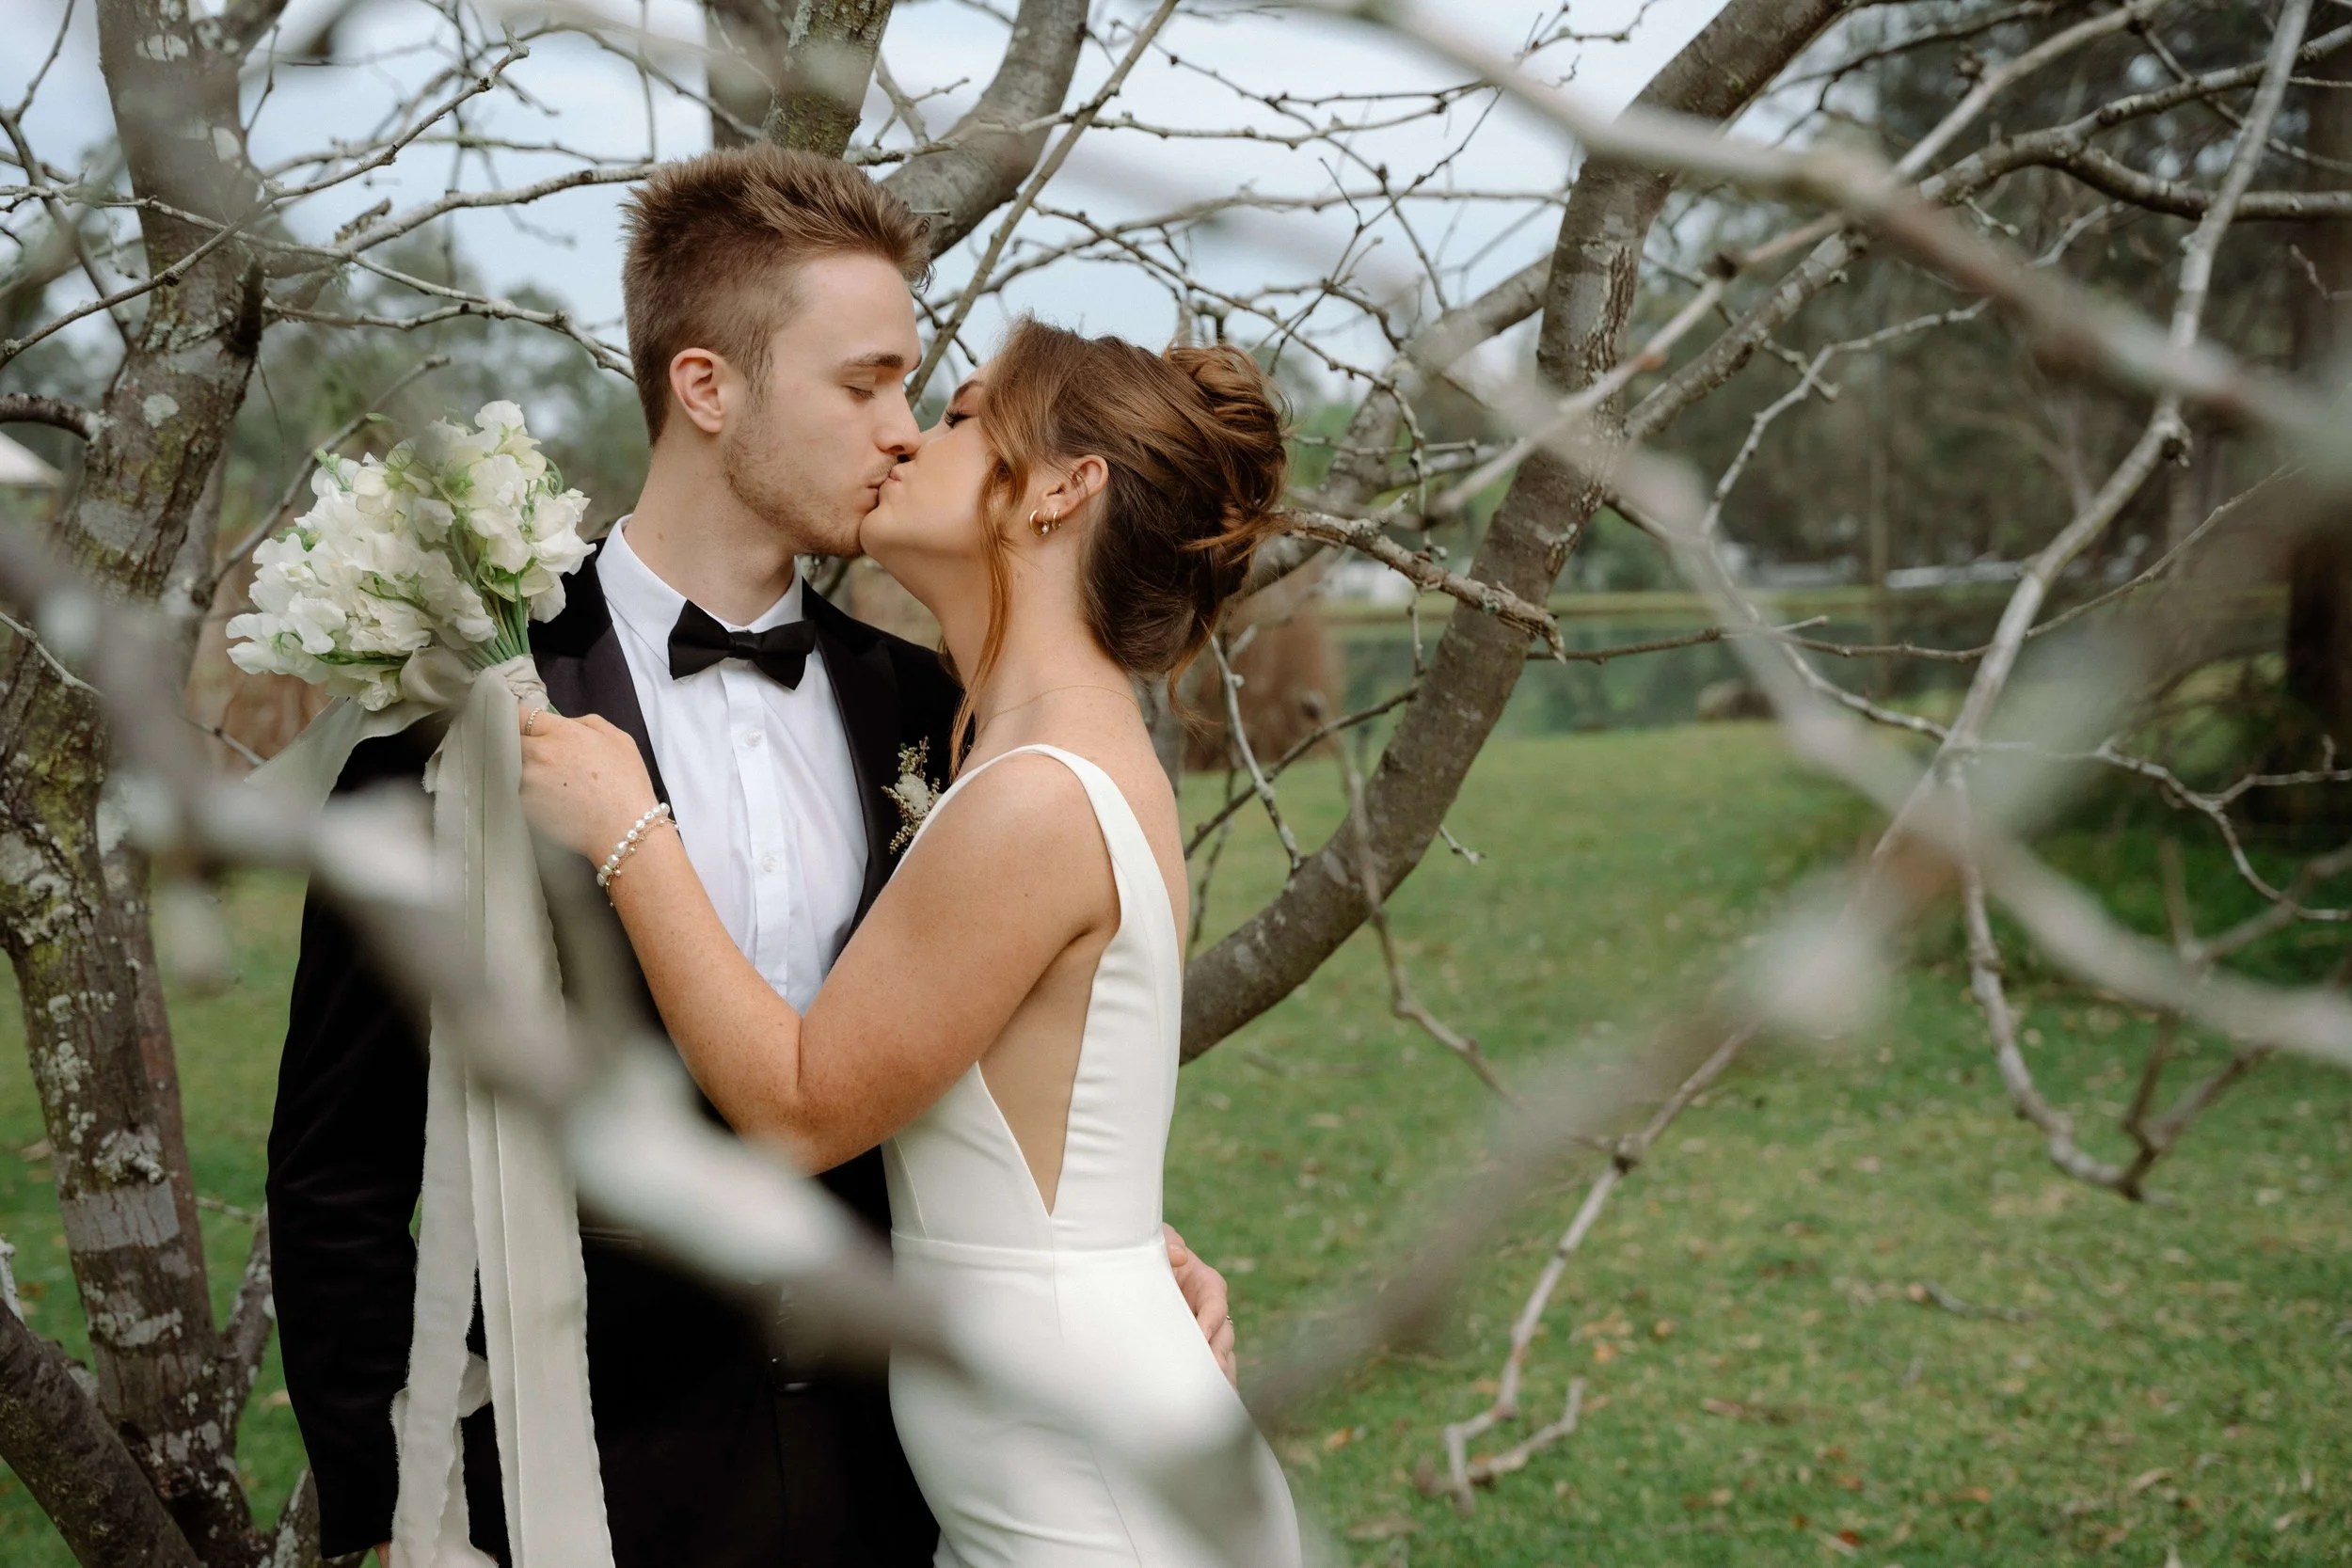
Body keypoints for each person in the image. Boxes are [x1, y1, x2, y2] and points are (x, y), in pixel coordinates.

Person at [264, 145, 1235, 1568]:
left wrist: (1111, 1264)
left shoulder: (929, 720)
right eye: (866, 385)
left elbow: (973, 1046)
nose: (903, 431)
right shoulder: (461, 718)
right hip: (583, 1493)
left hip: (897, 1484)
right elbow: (336, 1176)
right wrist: (413, 1507)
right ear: (708, 387)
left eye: (918, 391)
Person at [515, 315, 1304, 1566]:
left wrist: (630, 830)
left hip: (1078, 1487)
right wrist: (1118, 1246)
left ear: (1059, 488)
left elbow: (799, 1103)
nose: (906, 437)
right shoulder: (1043, 754)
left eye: (957, 415)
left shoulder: (1037, 795)